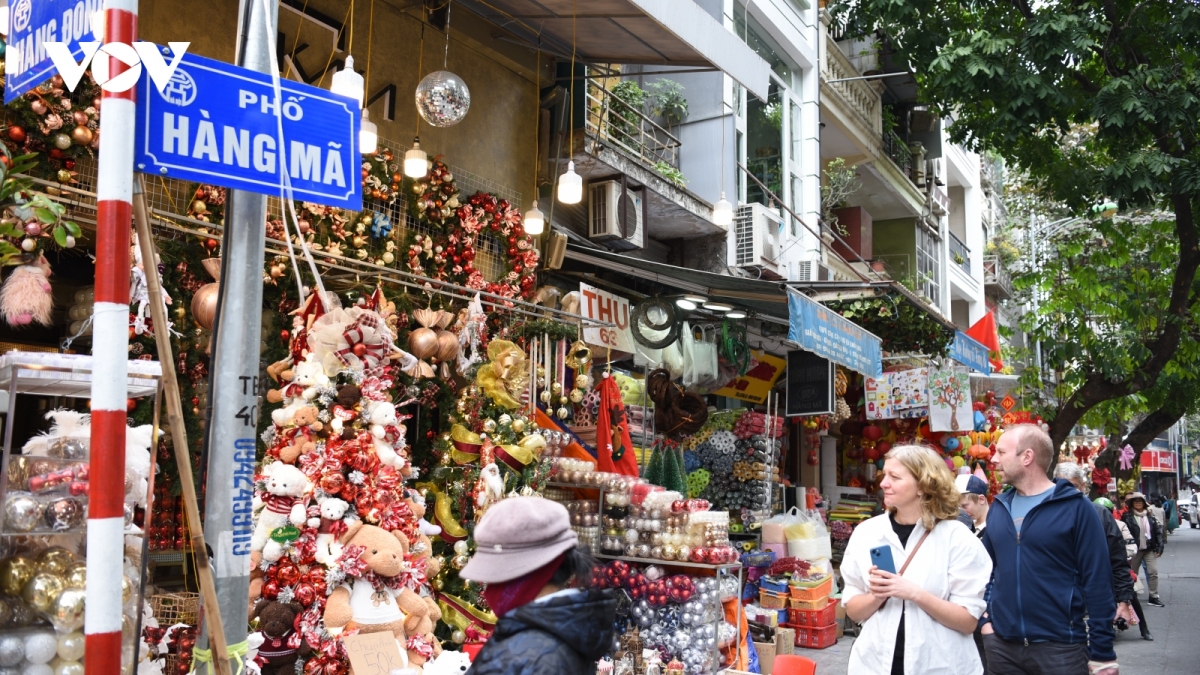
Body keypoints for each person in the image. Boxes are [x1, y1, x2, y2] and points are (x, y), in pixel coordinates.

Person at [842, 444, 992, 674]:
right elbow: (853, 609)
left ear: (923, 485)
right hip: (874, 664)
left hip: (939, 665)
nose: (883, 483)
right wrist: (876, 595)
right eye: (885, 475)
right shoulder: (867, 533)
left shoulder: (956, 538)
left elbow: (968, 621)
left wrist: (914, 593)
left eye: (895, 476)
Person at [981, 424, 1117, 675]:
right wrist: (985, 622)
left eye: (1001, 452)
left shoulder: (1077, 508)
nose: (994, 459)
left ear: (1027, 457)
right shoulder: (998, 508)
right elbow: (985, 571)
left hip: (1061, 648)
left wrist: (1102, 653)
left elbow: (1097, 581)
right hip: (1002, 647)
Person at [460, 497, 617, 674]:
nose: (489, 588)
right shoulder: (564, 634)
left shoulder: (527, 655)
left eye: (495, 574)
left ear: (527, 574)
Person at [1052, 462, 1144, 641]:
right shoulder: (1045, 514)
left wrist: (1124, 601)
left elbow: (1117, 561)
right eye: (1061, 486)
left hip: (1095, 603)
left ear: (1083, 486)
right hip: (1057, 606)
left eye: (1073, 486)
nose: (1067, 492)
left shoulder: (1101, 515)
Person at [1096, 496, 1152, 641]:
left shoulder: (1120, 525)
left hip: (1116, 566)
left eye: (1107, 510)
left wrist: (1120, 555)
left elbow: (1131, 546)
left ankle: (1144, 628)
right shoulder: (1087, 524)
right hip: (1097, 570)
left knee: (1130, 594)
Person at [1121, 492, 1164, 608]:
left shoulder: (1150, 516)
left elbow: (1157, 532)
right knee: (1131, 573)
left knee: (1153, 572)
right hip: (1135, 550)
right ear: (1132, 504)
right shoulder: (1127, 516)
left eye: (1140, 501)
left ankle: (1153, 596)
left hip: (1149, 548)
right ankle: (1130, 596)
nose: (1138, 503)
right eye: (1135, 501)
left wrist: (1160, 546)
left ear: (1144, 503)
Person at [957, 474, 990, 540]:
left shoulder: (993, 529)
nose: (962, 511)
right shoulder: (968, 525)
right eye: (959, 507)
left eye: (964, 506)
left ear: (981, 499)